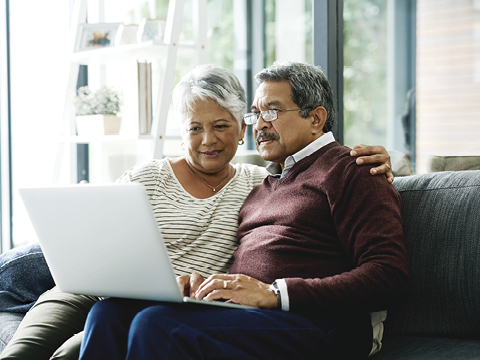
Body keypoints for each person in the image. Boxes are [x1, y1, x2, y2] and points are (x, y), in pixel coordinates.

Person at [0, 64, 392, 360]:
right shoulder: (267, 183)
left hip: (318, 323)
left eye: (271, 111)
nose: (259, 126)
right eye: (257, 115)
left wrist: (275, 294)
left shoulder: (353, 169)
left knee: (156, 325)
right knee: (110, 314)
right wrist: (205, 285)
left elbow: (388, 275)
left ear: (316, 118)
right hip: (235, 311)